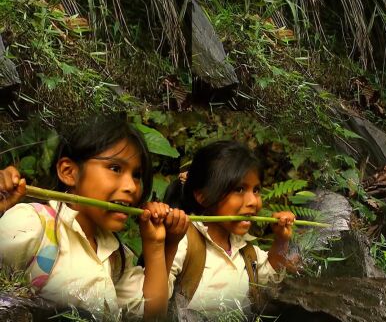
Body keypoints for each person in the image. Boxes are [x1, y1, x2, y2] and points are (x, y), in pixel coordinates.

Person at [0, 115, 187, 320]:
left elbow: (151, 316)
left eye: (136, 175)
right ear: (68, 172)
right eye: (115, 168)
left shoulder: (115, 255)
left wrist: (157, 244)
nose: (132, 187)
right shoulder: (32, 224)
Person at [165, 140, 295, 319]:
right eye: (240, 189)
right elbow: (153, 300)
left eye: (256, 190)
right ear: (202, 196)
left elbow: (269, 279)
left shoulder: (245, 251)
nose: (253, 202)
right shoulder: (182, 242)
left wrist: (281, 240)